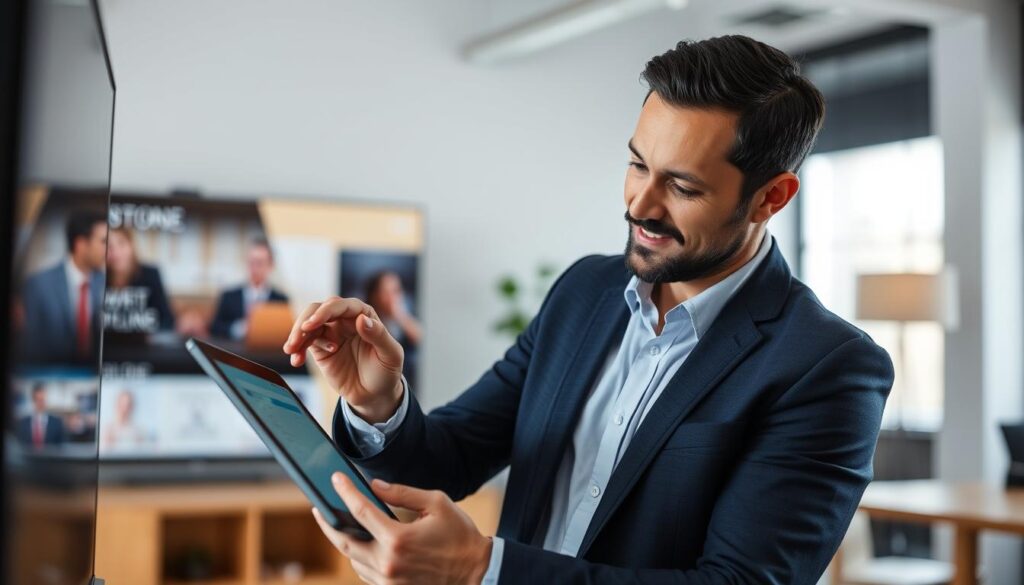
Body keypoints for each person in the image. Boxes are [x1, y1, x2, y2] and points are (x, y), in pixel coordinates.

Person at [283, 35, 894, 584]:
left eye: (682, 187)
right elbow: (453, 455)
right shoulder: (585, 292)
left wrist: (481, 566)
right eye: (636, 165)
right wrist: (375, 402)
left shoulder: (828, 368)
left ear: (770, 198)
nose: (640, 206)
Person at [20, 210, 107, 363]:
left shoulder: (107, 283)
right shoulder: (39, 285)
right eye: (103, 242)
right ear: (80, 244)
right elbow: (30, 348)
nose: (108, 250)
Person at [210, 237, 289, 340]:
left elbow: (284, 333)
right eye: (251, 262)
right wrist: (237, 329)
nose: (254, 268)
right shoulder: (229, 296)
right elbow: (214, 328)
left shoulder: (281, 300)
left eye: (259, 263)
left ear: (270, 266)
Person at [104, 226, 176, 334]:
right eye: (109, 246)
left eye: (121, 244)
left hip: (145, 345)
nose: (115, 252)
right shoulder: (98, 278)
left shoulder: (151, 274)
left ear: (131, 245)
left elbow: (166, 320)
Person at [364, 270, 422, 387]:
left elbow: (420, 338)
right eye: (385, 292)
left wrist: (399, 315)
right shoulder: (367, 321)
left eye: (396, 291)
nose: (392, 298)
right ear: (374, 296)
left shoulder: (405, 318)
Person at [16, 384, 67, 448]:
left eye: (42, 400)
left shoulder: (57, 423)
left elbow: (62, 447)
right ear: (33, 400)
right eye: (38, 400)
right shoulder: (23, 423)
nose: (40, 403)